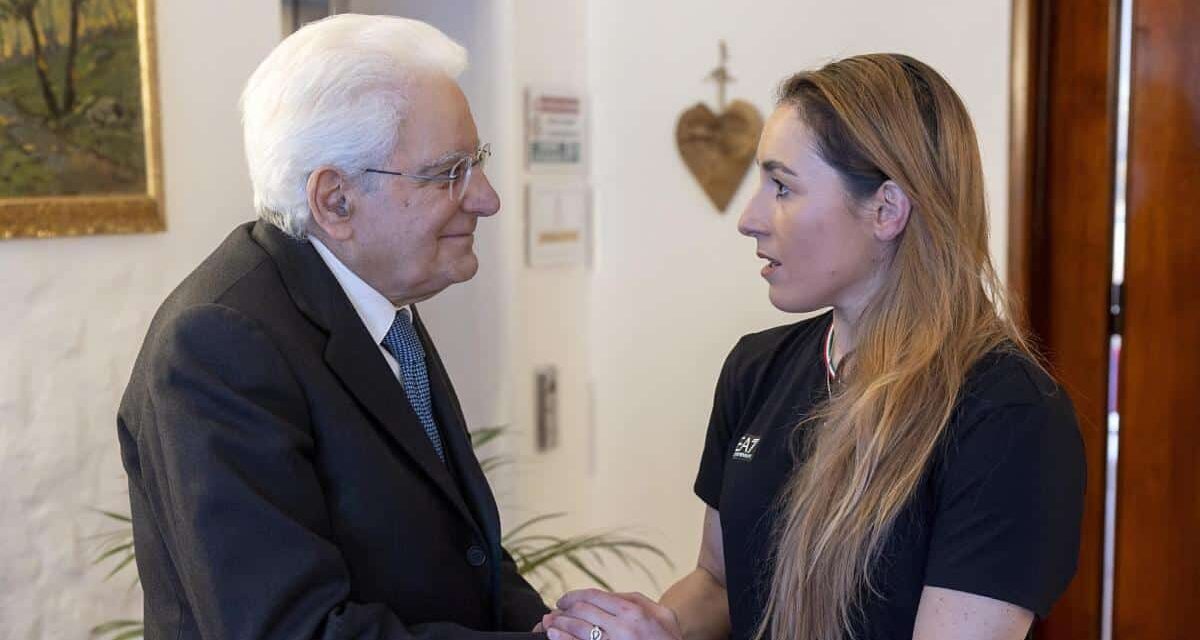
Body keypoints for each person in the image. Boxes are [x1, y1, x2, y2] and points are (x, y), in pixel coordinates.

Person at [543, 54, 1085, 640]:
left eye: (782, 187)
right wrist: (655, 624)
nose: (749, 218)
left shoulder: (1006, 415)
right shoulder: (756, 368)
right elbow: (720, 584)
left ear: (886, 209)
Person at [117, 15, 549, 640]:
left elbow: (460, 552)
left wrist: (557, 627)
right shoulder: (219, 343)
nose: (486, 198)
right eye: (449, 172)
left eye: (475, 162)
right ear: (335, 201)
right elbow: (288, 628)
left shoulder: (375, 300)